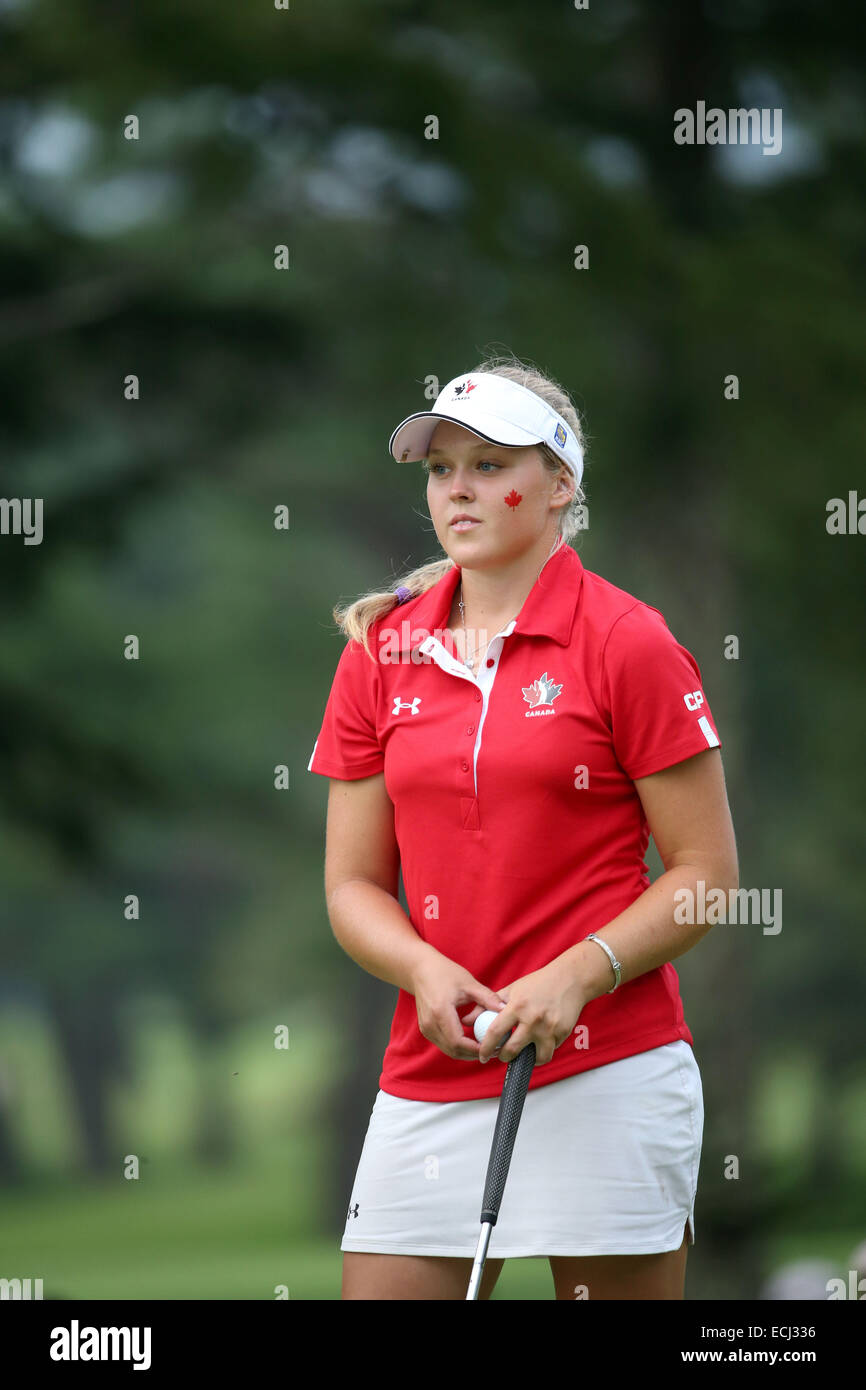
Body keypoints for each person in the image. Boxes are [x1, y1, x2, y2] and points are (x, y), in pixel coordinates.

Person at [307, 354, 738, 1300]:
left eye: (491, 464)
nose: (458, 488)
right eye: (439, 468)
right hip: (431, 1070)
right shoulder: (382, 652)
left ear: (560, 485)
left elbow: (705, 876)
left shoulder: (630, 642)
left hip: (608, 1071)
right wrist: (420, 969)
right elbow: (350, 887)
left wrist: (576, 975)